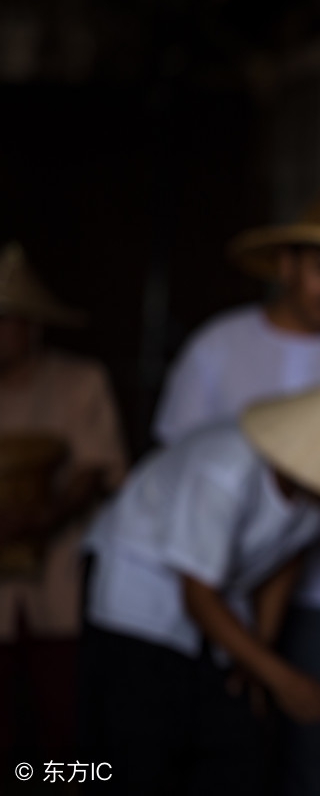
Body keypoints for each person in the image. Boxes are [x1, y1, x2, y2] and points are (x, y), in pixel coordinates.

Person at [150, 178, 320, 796]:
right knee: (227, 743)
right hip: (225, 585)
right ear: (286, 265)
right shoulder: (218, 348)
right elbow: (177, 470)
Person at [78, 378, 320, 795]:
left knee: (233, 746)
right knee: (142, 750)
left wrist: (258, 652)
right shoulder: (223, 470)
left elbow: (287, 555)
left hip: (220, 602)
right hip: (138, 598)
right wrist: (282, 679)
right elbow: (197, 597)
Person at [0, 241, 129, 764]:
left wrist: (39, 517)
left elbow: (97, 470)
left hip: (59, 577)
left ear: (32, 324)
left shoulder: (80, 382)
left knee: (63, 713)